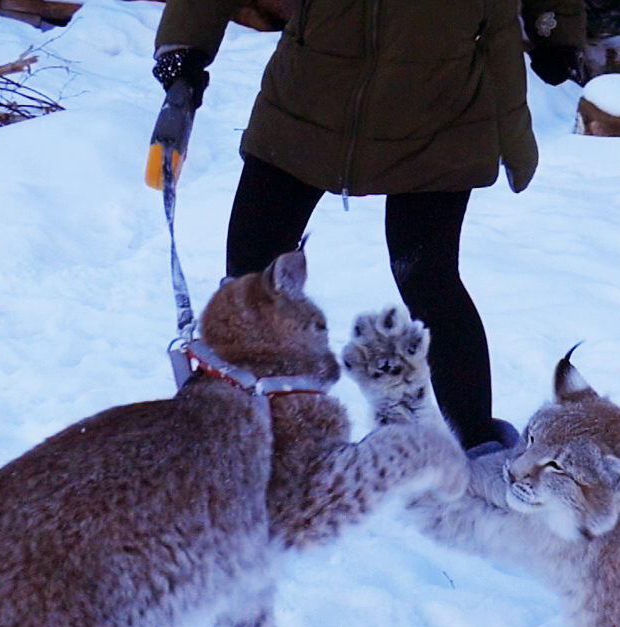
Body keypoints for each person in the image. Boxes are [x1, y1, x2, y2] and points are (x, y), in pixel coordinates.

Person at [152, 0, 586, 456]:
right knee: (252, 276)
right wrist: (187, 47)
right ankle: (229, 434)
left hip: (440, 107)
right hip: (308, 100)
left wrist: (553, 27)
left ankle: (483, 454)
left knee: (428, 277)